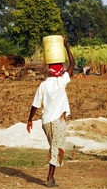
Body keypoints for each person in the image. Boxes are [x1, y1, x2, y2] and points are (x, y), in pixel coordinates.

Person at [26, 35, 75, 187]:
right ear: (60, 72)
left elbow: (35, 105)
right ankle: (50, 177)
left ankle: (51, 176)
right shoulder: (61, 82)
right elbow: (72, 64)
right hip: (57, 121)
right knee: (56, 147)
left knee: (55, 146)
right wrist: (66, 46)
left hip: (46, 122)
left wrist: (29, 120)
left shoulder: (43, 85)